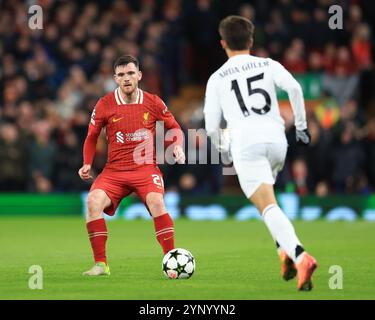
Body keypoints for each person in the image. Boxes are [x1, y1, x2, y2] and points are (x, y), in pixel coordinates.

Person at [204, 16, 318, 291]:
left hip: (247, 143)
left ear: (223, 44)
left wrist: (223, 147)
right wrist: (301, 127)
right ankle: (284, 254)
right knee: (270, 201)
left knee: (267, 207)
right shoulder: (268, 64)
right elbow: (294, 87)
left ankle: (301, 256)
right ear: (251, 41)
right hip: (277, 141)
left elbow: (210, 126)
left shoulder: (218, 78)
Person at [78, 55, 185, 276]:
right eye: (121, 75)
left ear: (139, 75)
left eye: (130, 73)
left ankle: (172, 259)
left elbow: (174, 127)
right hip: (114, 171)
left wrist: (177, 146)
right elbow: (91, 137)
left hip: (145, 169)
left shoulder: (153, 102)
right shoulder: (104, 104)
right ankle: (101, 264)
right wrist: (87, 163)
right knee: (92, 201)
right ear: (115, 78)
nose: (126, 78)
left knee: (157, 202)